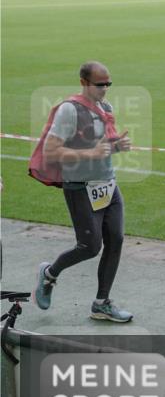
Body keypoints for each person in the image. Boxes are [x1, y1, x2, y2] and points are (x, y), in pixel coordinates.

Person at [33, 61, 134, 323]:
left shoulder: (105, 107)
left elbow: (101, 145)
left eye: (108, 84)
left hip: (107, 184)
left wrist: (117, 145)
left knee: (116, 239)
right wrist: (90, 153)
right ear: (83, 83)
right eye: (100, 85)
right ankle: (49, 274)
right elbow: (51, 152)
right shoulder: (69, 110)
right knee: (89, 247)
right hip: (79, 187)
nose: (105, 89)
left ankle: (101, 303)